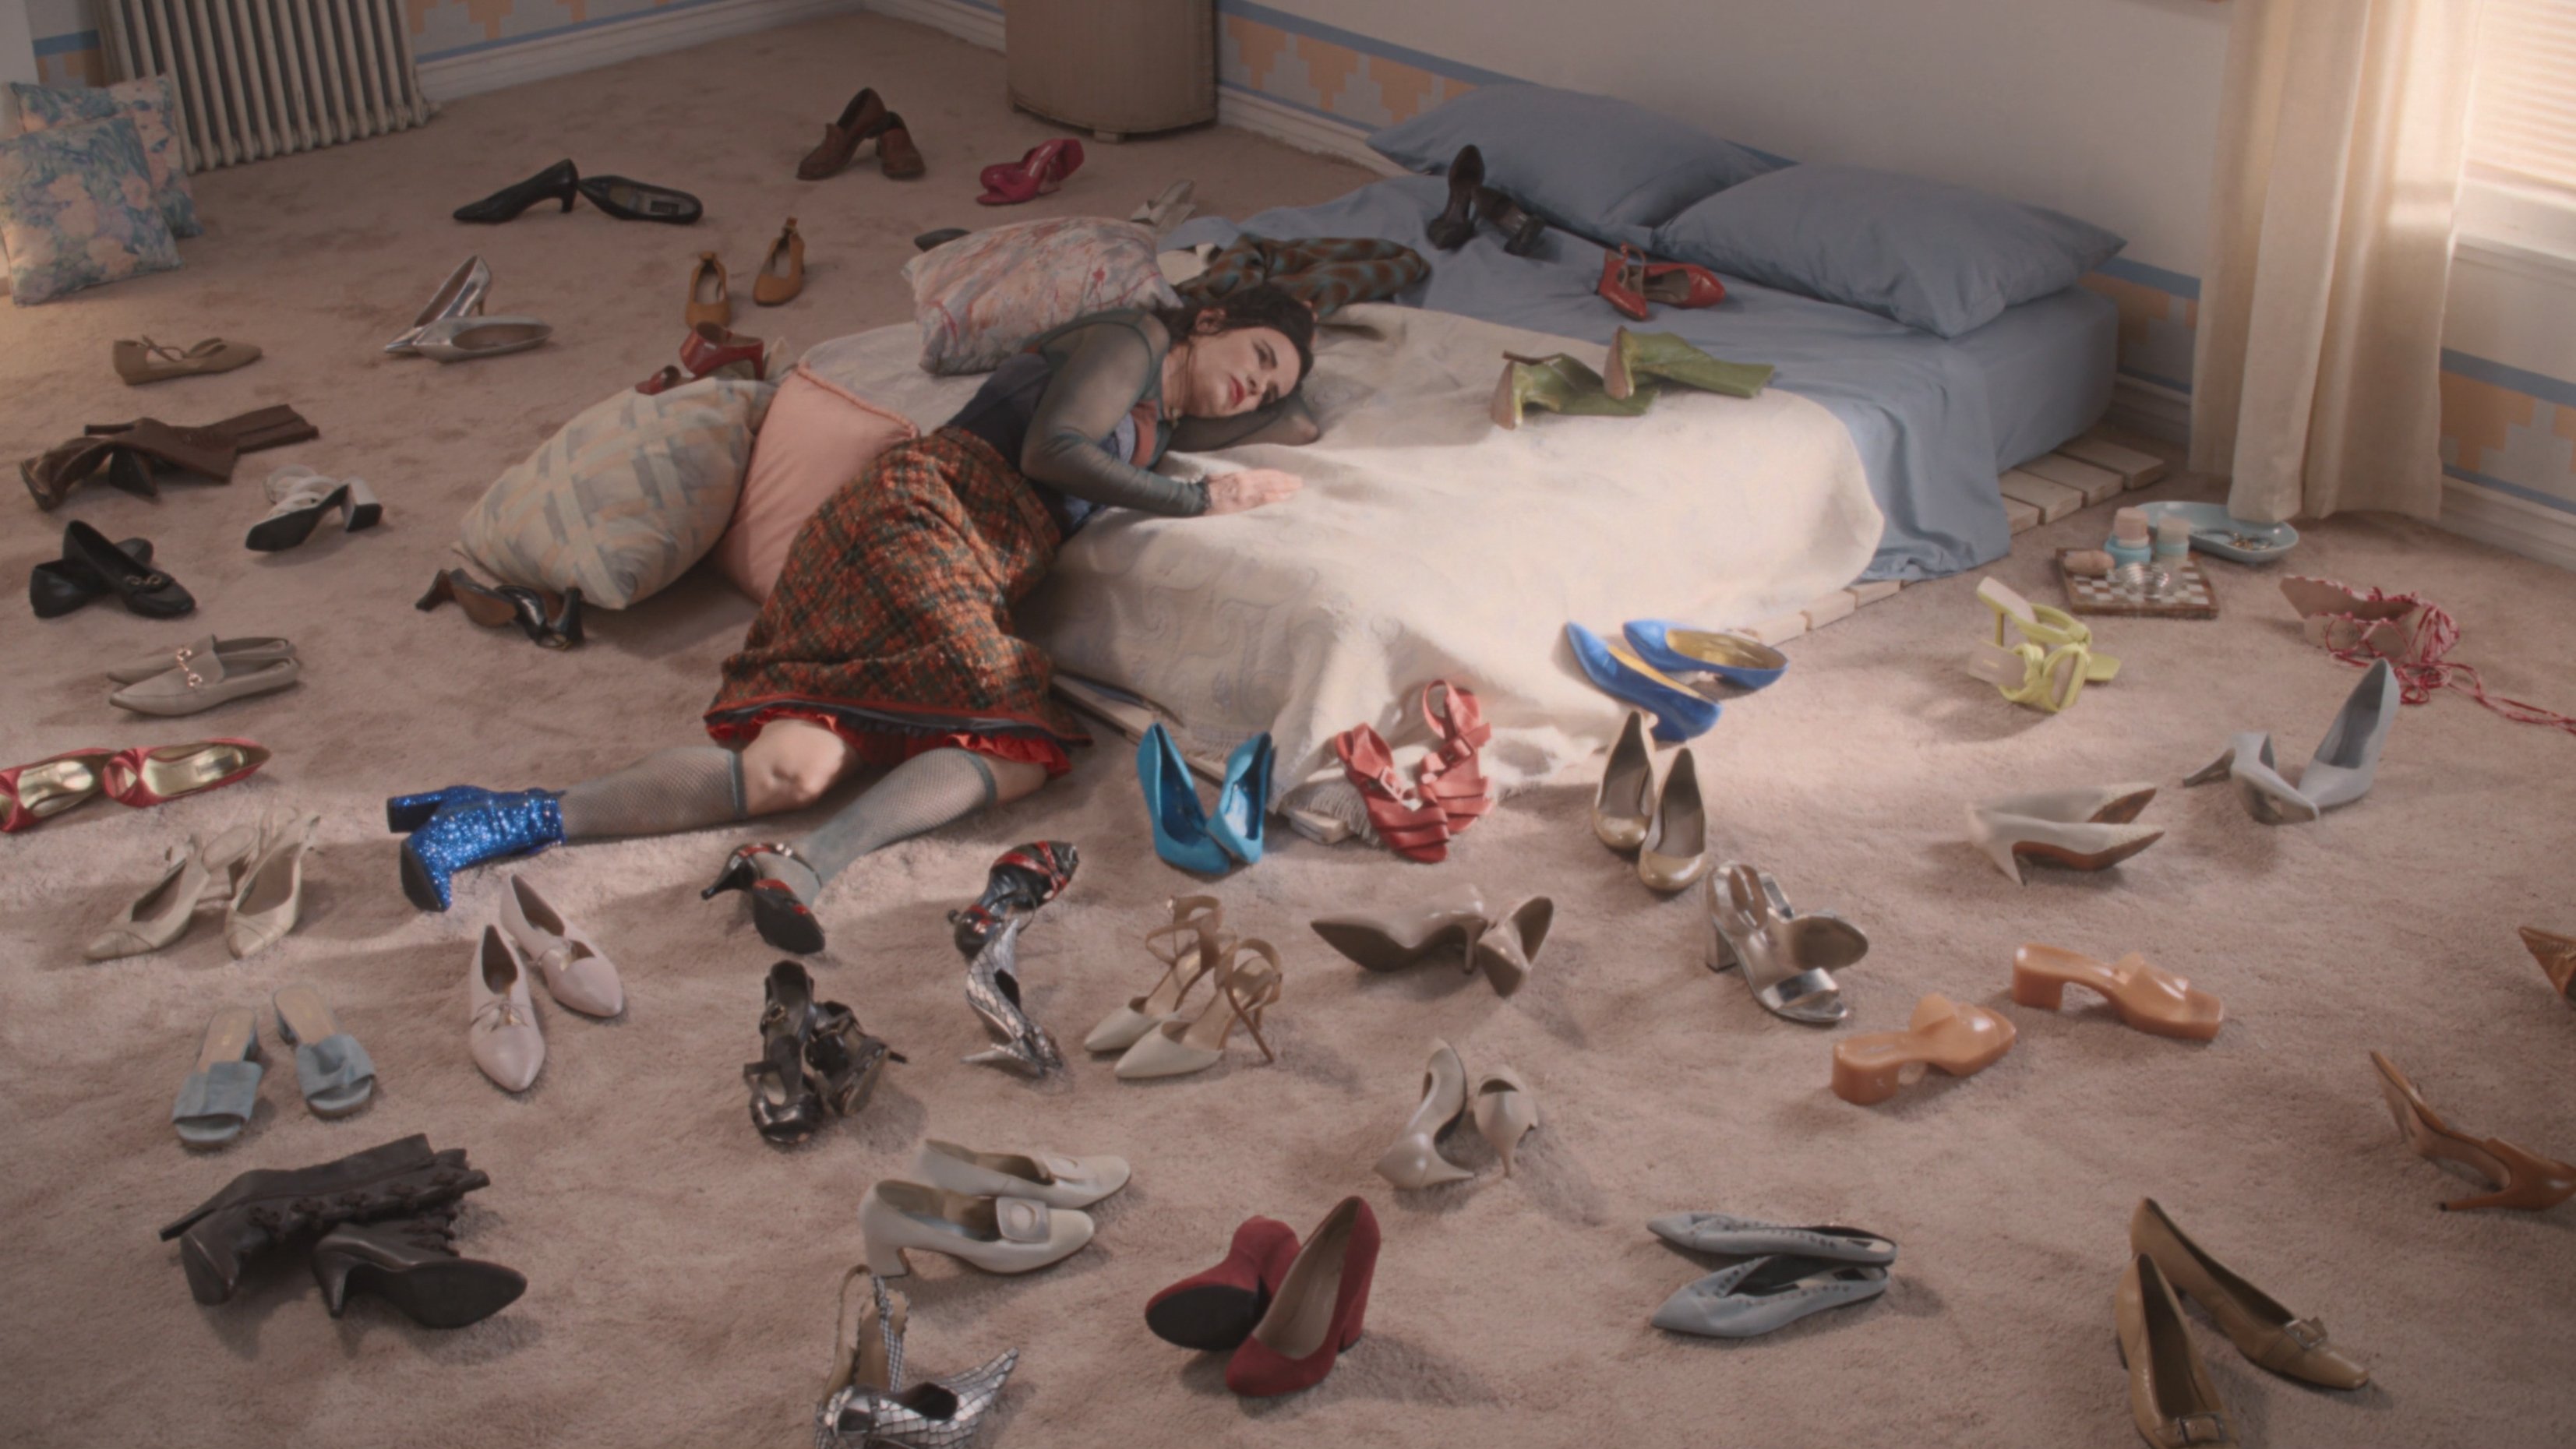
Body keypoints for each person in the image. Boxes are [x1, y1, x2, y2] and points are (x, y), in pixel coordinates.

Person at [390, 286, 1320, 950]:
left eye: (1272, 385)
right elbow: (1055, 449)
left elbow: (1296, 424)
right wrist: (1201, 500)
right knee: (1017, 731)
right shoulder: (1133, 340)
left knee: (789, 771)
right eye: (1260, 359)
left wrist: (1311, 338)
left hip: (958, 551)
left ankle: (503, 816)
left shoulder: (1167, 411)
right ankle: (810, 866)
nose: (1260, 388)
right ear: (1208, 319)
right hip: (923, 514)